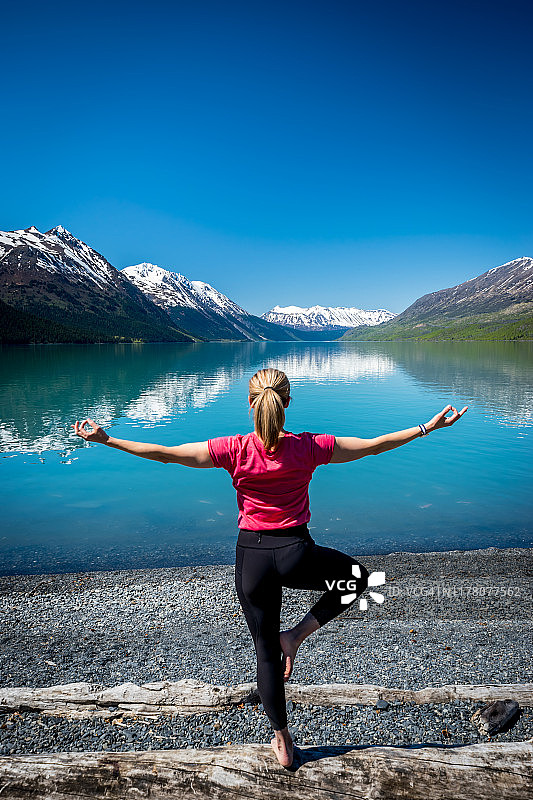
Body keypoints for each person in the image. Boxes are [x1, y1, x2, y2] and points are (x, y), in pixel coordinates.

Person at [72, 366, 467, 767]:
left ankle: (281, 740)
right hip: (297, 553)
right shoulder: (309, 447)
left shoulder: (233, 449)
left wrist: (108, 439)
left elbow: (166, 455)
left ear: (250, 403)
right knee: (357, 578)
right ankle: (296, 636)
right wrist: (425, 428)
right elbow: (372, 445)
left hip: (253, 561)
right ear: (287, 403)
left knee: (264, 654)